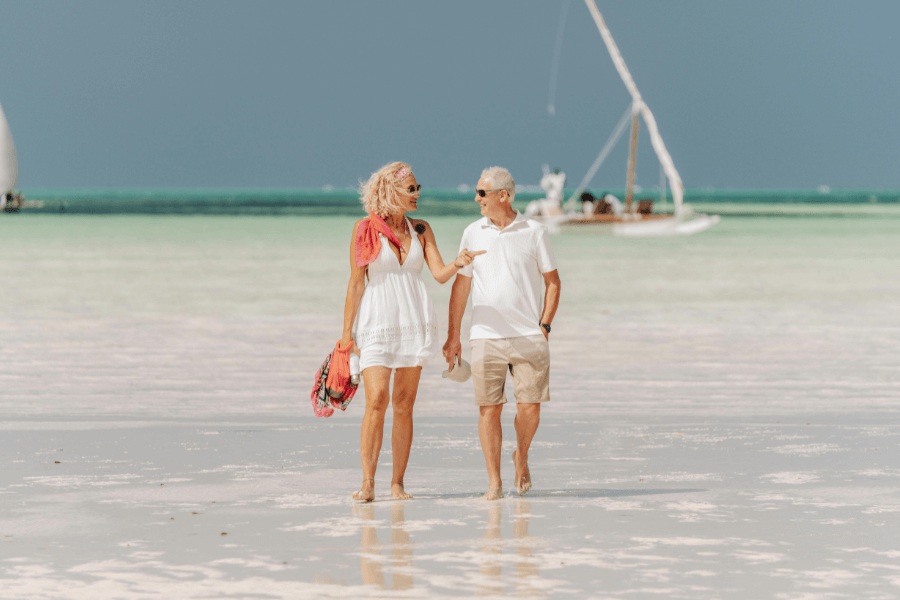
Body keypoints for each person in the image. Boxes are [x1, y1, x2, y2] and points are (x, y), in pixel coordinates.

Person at [341, 161, 485, 502]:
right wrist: (346, 335)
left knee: (404, 405)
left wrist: (459, 263)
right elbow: (356, 283)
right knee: (377, 400)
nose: (418, 193)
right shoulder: (365, 229)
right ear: (391, 191)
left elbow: (439, 274)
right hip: (376, 323)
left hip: (413, 324)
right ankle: (368, 483)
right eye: (411, 188)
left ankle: (397, 484)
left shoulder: (420, 228)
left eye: (418, 188)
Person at [443, 166, 561, 500]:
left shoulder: (534, 231)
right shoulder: (472, 232)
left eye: (482, 193)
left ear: (503, 196)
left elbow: (553, 282)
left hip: (529, 335)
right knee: (489, 409)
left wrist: (544, 325)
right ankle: (494, 482)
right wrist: (453, 335)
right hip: (485, 335)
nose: (476, 198)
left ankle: (521, 455)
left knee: (530, 408)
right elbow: (461, 286)